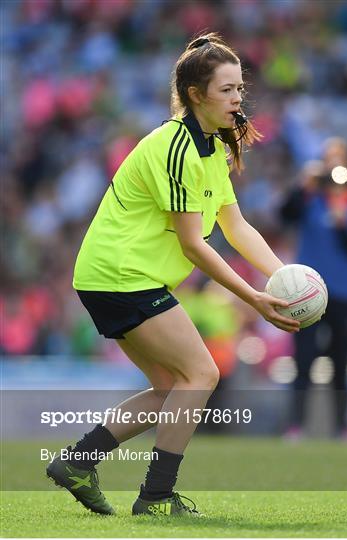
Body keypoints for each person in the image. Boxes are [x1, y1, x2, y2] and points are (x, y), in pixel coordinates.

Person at [46, 33, 300, 517]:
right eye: (226, 90)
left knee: (171, 386)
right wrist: (254, 297)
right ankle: (156, 497)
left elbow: (235, 225)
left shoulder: (212, 150)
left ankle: (77, 463)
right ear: (194, 95)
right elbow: (192, 243)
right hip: (122, 275)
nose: (237, 99)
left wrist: (283, 276)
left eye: (240, 89)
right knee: (201, 373)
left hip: (115, 276)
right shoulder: (177, 147)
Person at [280, 138, 347, 439]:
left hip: (346, 294)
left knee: (341, 362)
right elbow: (284, 215)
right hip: (306, 295)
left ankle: (343, 427)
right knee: (303, 360)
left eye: (340, 160)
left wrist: (346, 227)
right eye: (328, 160)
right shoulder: (310, 197)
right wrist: (301, 186)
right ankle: (296, 426)